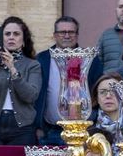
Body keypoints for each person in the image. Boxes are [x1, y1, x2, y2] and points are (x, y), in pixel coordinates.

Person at [35, 16, 102, 144]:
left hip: (81, 130)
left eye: (71, 32)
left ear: (77, 35)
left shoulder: (90, 59)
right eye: (62, 32)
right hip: (49, 130)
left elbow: (97, 89)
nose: (66, 36)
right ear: (55, 35)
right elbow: (35, 94)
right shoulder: (42, 59)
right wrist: (38, 125)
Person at [0, 16, 41, 145]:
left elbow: (30, 96)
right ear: (1, 38)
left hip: (22, 128)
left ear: (23, 40)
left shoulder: (32, 65)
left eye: (16, 34)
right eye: (7, 34)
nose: (11, 37)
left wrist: (13, 68)